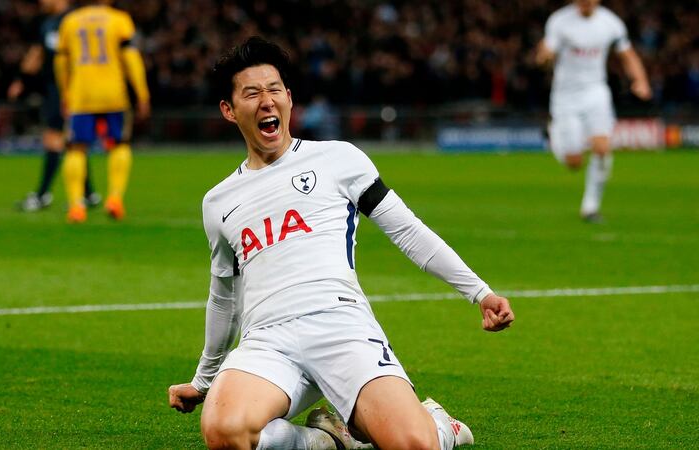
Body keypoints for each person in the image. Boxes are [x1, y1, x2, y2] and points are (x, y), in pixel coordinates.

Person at [168, 37, 515, 450]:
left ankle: (439, 426)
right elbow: (224, 297)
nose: (267, 101)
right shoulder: (218, 201)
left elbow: (407, 231)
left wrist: (479, 292)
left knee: (412, 445)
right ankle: (319, 441)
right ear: (229, 110)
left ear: (290, 100)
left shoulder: (338, 159)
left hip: (341, 326)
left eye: (274, 90)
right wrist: (203, 381)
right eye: (252, 93)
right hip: (266, 339)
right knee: (223, 432)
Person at [536, 0, 651, 223]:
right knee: (574, 162)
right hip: (565, 96)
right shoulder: (560, 21)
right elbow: (546, 52)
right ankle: (554, 133)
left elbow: (627, 55)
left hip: (596, 92)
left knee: (602, 147)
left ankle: (590, 207)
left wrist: (641, 80)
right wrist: (543, 57)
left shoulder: (611, 23)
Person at [54, 0, 150, 223]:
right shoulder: (119, 19)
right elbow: (131, 57)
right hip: (113, 94)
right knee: (119, 144)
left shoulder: (70, 21)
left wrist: (65, 92)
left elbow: (60, 61)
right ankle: (115, 198)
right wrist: (142, 92)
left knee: (76, 148)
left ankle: (77, 206)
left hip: (81, 94)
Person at [10, 0, 101, 213]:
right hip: (55, 87)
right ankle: (89, 193)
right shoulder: (48, 23)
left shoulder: (75, 21)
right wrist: (21, 79)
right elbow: (37, 54)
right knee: (75, 140)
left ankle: (42, 194)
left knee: (54, 138)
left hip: (69, 87)